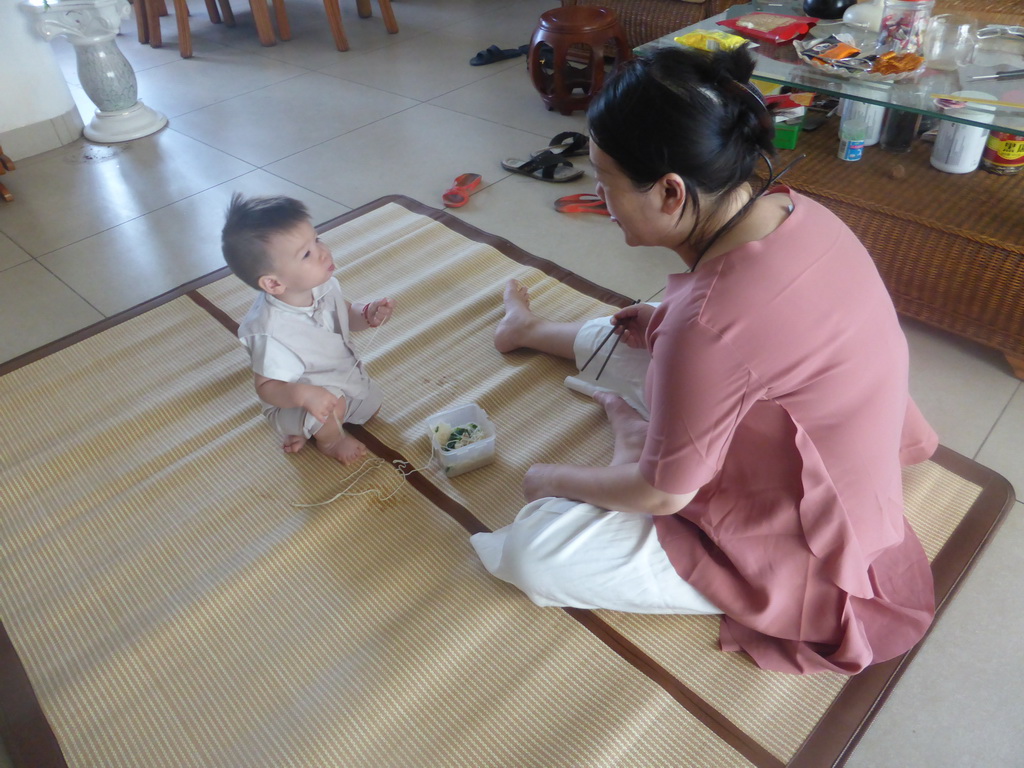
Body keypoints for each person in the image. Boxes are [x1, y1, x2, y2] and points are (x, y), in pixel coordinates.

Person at [471, 46, 938, 675]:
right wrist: (670, 332)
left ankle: (632, 451)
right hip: (826, 444)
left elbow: (662, 494)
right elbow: (731, 340)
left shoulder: (708, 326)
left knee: (534, 549)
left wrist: (547, 478)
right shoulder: (798, 209)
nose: (601, 200)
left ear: (670, 192)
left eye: (605, 183)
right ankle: (528, 329)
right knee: (651, 326)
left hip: (814, 538)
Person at [222, 193, 394, 465]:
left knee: (372, 408)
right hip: (292, 398)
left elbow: (345, 314)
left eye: (317, 239)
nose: (323, 251)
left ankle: (306, 430)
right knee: (330, 407)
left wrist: (367, 313)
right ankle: (328, 440)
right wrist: (305, 395)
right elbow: (267, 387)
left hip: (339, 377)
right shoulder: (270, 330)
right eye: (307, 254)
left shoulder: (321, 284)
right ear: (274, 284)